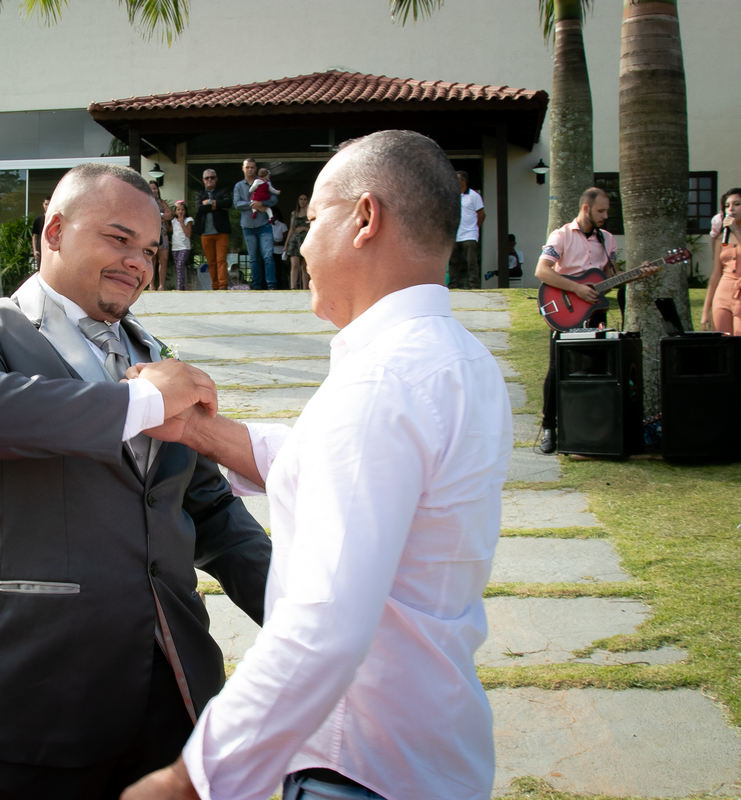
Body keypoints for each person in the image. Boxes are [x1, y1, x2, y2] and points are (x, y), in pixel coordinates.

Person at [122, 130, 514, 800]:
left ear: (365, 219)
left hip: (360, 761)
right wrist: (198, 430)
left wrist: (189, 780)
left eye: (310, 221)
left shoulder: (382, 382)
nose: (298, 245)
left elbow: (321, 626)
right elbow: (336, 471)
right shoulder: (457, 359)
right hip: (428, 746)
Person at [0, 162, 271, 800]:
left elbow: (211, 509)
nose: (138, 262)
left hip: (175, 692)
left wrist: (306, 612)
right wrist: (139, 406)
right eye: (118, 238)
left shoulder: (154, 355)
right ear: (54, 229)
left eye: (150, 249)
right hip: (42, 691)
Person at [534, 187, 659, 453]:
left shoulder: (607, 239)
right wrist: (577, 288)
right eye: (601, 211)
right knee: (556, 370)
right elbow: (542, 271)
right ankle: (549, 428)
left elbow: (612, 275)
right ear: (586, 209)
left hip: (595, 313)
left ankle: (589, 428)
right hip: (565, 310)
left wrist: (639, 273)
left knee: (596, 369)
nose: (605, 216)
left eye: (607, 211)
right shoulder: (561, 235)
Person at [234, 158, 278, 290]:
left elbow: (274, 198)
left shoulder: (265, 181)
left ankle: (272, 285)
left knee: (268, 256)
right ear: (243, 168)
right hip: (248, 226)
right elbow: (236, 204)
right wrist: (254, 205)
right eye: (247, 167)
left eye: (252, 167)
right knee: (253, 258)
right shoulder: (239, 186)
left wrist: (263, 203)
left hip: (264, 224)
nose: (250, 170)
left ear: (256, 168)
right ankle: (257, 286)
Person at [703, 188, 741, 335]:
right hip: (723, 292)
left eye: (737, 204)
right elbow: (715, 274)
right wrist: (706, 310)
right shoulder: (721, 238)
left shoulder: (735, 231)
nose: (731, 209)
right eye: (727, 206)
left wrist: (736, 230)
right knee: (722, 342)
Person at [192, 170, 233, 290]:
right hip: (205, 233)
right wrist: (219, 206)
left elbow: (228, 203)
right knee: (211, 261)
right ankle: (215, 286)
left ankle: (223, 286)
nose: (209, 180)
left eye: (212, 177)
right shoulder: (199, 193)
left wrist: (209, 203)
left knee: (221, 260)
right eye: (207, 178)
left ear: (216, 179)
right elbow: (199, 208)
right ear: (203, 180)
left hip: (221, 232)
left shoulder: (223, 190)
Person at [448, 170, 484, 290]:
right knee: (453, 261)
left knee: (471, 261)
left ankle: (474, 285)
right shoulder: (454, 196)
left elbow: (482, 214)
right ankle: (453, 285)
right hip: (456, 234)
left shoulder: (474, 196)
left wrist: (475, 228)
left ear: (463, 181)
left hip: (469, 234)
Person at [148, 180, 175, 291]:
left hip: (162, 234)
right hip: (150, 233)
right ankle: (151, 285)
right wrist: (162, 217)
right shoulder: (145, 202)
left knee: (163, 261)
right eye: (151, 188)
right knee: (151, 260)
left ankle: (161, 286)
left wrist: (159, 215)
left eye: (155, 188)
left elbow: (170, 215)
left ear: (158, 189)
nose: (153, 190)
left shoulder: (162, 202)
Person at [285, 193, 311, 290]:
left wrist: (304, 228)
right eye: (301, 199)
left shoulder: (310, 213)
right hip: (294, 241)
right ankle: (293, 287)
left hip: (305, 240)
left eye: (305, 199)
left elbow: (314, 227)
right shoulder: (294, 213)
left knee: (304, 267)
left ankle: (305, 288)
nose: (302, 201)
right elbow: (291, 229)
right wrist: (286, 244)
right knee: (294, 265)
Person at [171, 200, 194, 291]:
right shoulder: (173, 221)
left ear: (185, 211)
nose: (180, 212)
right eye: (178, 210)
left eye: (182, 210)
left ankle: (180, 288)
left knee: (180, 265)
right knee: (178, 267)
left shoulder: (188, 220)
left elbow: (188, 234)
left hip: (184, 247)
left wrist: (181, 222)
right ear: (175, 211)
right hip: (175, 247)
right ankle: (181, 286)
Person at [269, 208, 289, 289]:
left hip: (278, 252)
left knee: (278, 270)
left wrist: (277, 243)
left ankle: (279, 286)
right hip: (269, 251)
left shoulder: (282, 225)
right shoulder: (267, 224)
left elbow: (286, 240)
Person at [32, 197, 51, 268]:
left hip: (53, 250)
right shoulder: (38, 219)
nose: (48, 206)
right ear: (43, 204)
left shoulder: (56, 218)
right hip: (41, 250)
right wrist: (35, 250)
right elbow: (34, 236)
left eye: (50, 204)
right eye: (46, 204)